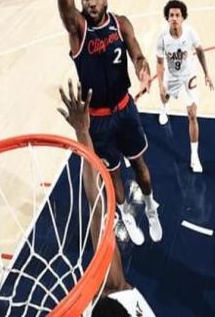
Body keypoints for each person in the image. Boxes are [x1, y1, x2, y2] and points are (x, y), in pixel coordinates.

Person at [45, 0, 162, 246]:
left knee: (141, 168)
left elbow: (137, 52)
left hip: (125, 109)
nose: (91, 1)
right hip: (97, 119)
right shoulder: (78, 30)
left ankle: (151, 207)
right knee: (114, 177)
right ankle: (125, 213)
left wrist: (142, 67)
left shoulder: (120, 23)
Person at [57, 80, 156, 317]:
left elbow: (97, 208)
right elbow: (98, 211)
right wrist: (83, 132)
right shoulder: (117, 290)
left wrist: (83, 133)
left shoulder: (116, 290)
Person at [156, 0, 213, 173]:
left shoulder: (190, 33)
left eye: (177, 15)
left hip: (189, 76)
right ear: (167, 18)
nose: (174, 18)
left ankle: (194, 157)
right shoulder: (162, 37)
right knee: (164, 96)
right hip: (172, 76)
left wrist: (207, 73)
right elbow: (159, 62)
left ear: (183, 18)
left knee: (192, 114)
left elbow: (200, 51)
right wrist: (160, 84)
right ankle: (164, 108)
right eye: (171, 15)